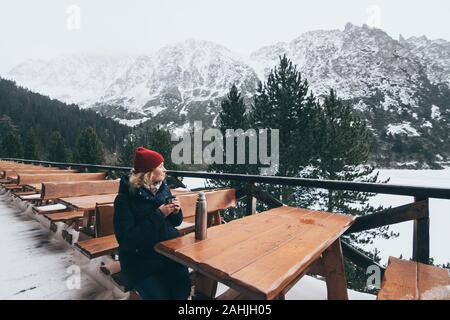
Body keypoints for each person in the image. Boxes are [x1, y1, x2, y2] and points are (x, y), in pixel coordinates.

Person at [113, 147, 191, 299]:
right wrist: (160, 214)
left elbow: (175, 222)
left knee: (182, 291)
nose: (165, 170)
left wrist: (176, 211)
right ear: (149, 171)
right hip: (140, 263)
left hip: (167, 255)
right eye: (161, 166)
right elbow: (127, 241)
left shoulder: (163, 188)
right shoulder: (125, 199)